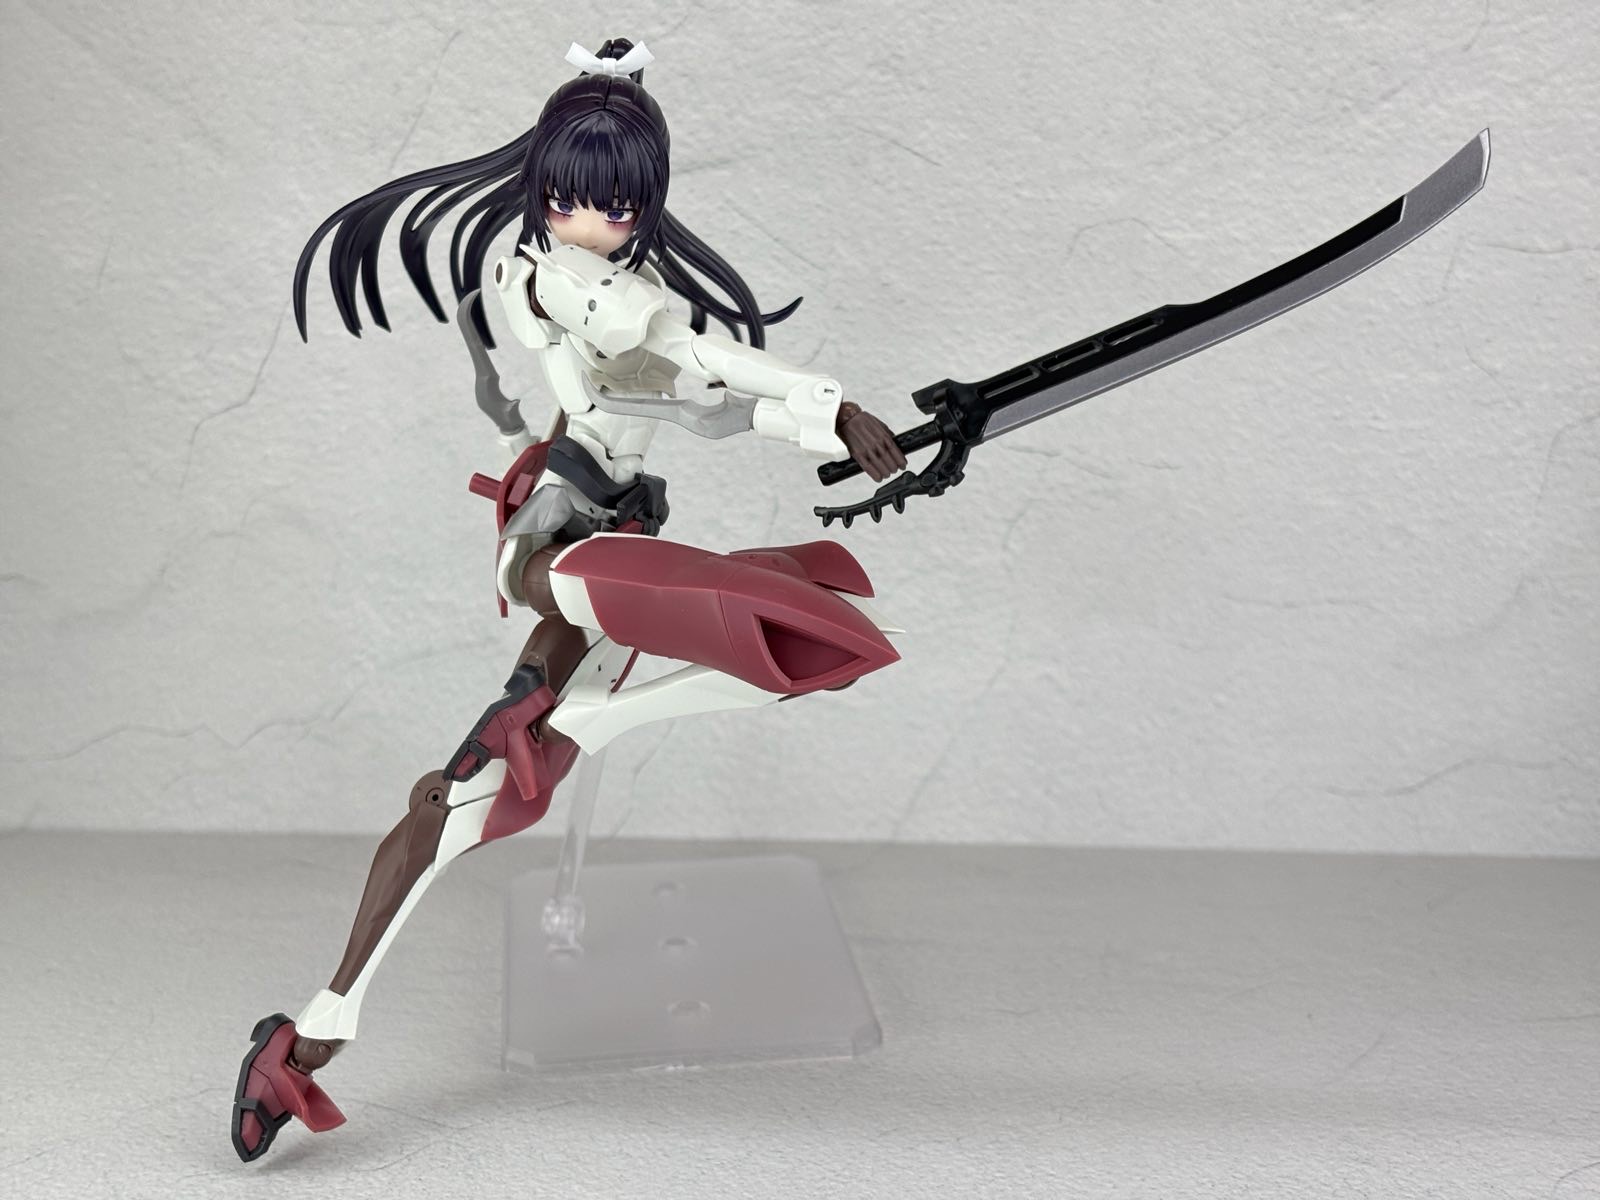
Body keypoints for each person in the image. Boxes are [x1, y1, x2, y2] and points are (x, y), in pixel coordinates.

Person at [232, 37, 908, 1162]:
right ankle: (618, 691)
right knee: (743, 610)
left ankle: (313, 1028)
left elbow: (697, 399)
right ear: (545, 191)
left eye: (613, 206)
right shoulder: (568, 279)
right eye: (570, 200)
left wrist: (818, 427)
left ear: (643, 205)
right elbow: (699, 356)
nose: (589, 221)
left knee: (464, 799)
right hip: (560, 548)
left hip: (603, 549)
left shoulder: (592, 292)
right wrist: (830, 404)